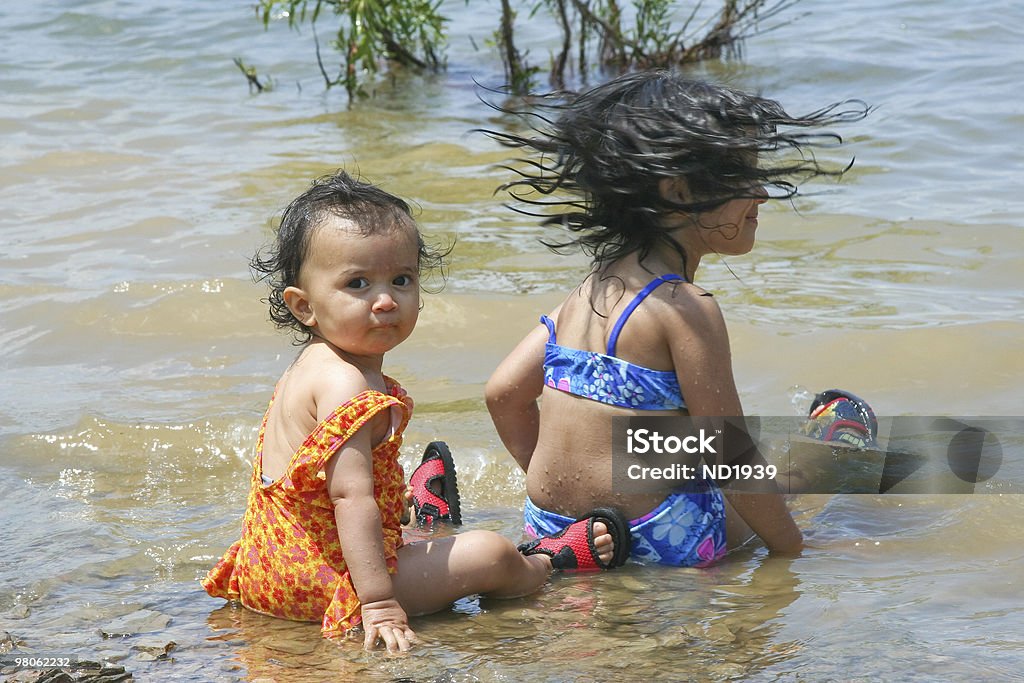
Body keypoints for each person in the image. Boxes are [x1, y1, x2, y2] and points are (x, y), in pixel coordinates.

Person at [202, 171, 630, 652]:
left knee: (394, 519)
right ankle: (547, 562)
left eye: (401, 279)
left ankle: (423, 515)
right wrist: (380, 603)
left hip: (271, 569)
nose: (386, 300)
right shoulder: (346, 385)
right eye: (358, 283)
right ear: (304, 307)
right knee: (491, 552)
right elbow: (350, 501)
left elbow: (324, 495)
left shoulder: (312, 367)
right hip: (328, 588)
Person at [483, 70, 873, 567]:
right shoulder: (684, 306)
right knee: (781, 477)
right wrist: (792, 551)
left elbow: (502, 394)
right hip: (661, 536)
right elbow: (730, 454)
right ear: (679, 191)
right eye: (744, 179)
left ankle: (581, 538)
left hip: (556, 530)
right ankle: (834, 450)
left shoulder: (589, 290)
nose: (762, 195)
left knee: (667, 443)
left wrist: (565, 493)